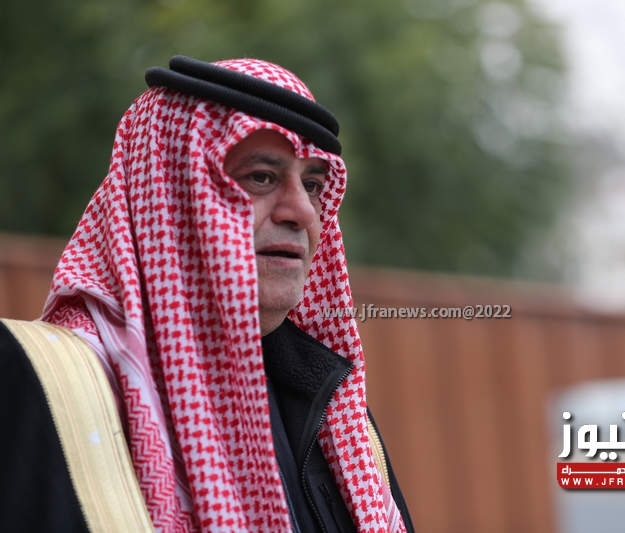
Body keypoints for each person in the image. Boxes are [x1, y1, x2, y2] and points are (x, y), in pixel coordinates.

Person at [0, 56, 413, 533]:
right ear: (171, 195)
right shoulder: (40, 382)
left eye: (313, 184)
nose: (303, 211)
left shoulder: (334, 416)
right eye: (261, 177)